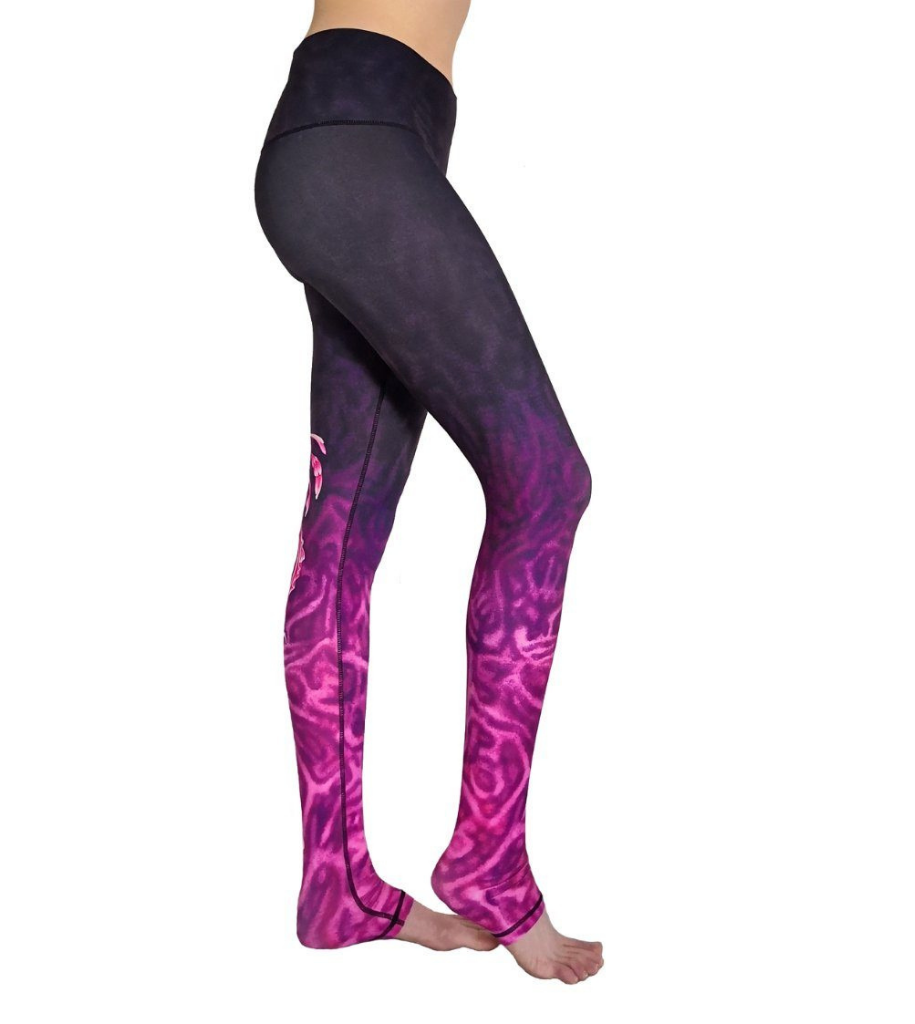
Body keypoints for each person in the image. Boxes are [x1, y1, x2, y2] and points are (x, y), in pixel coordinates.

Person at [254, 1, 604, 985]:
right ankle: (489, 853)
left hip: (356, 138)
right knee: (545, 482)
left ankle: (338, 887)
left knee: (341, 533)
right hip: (361, 147)